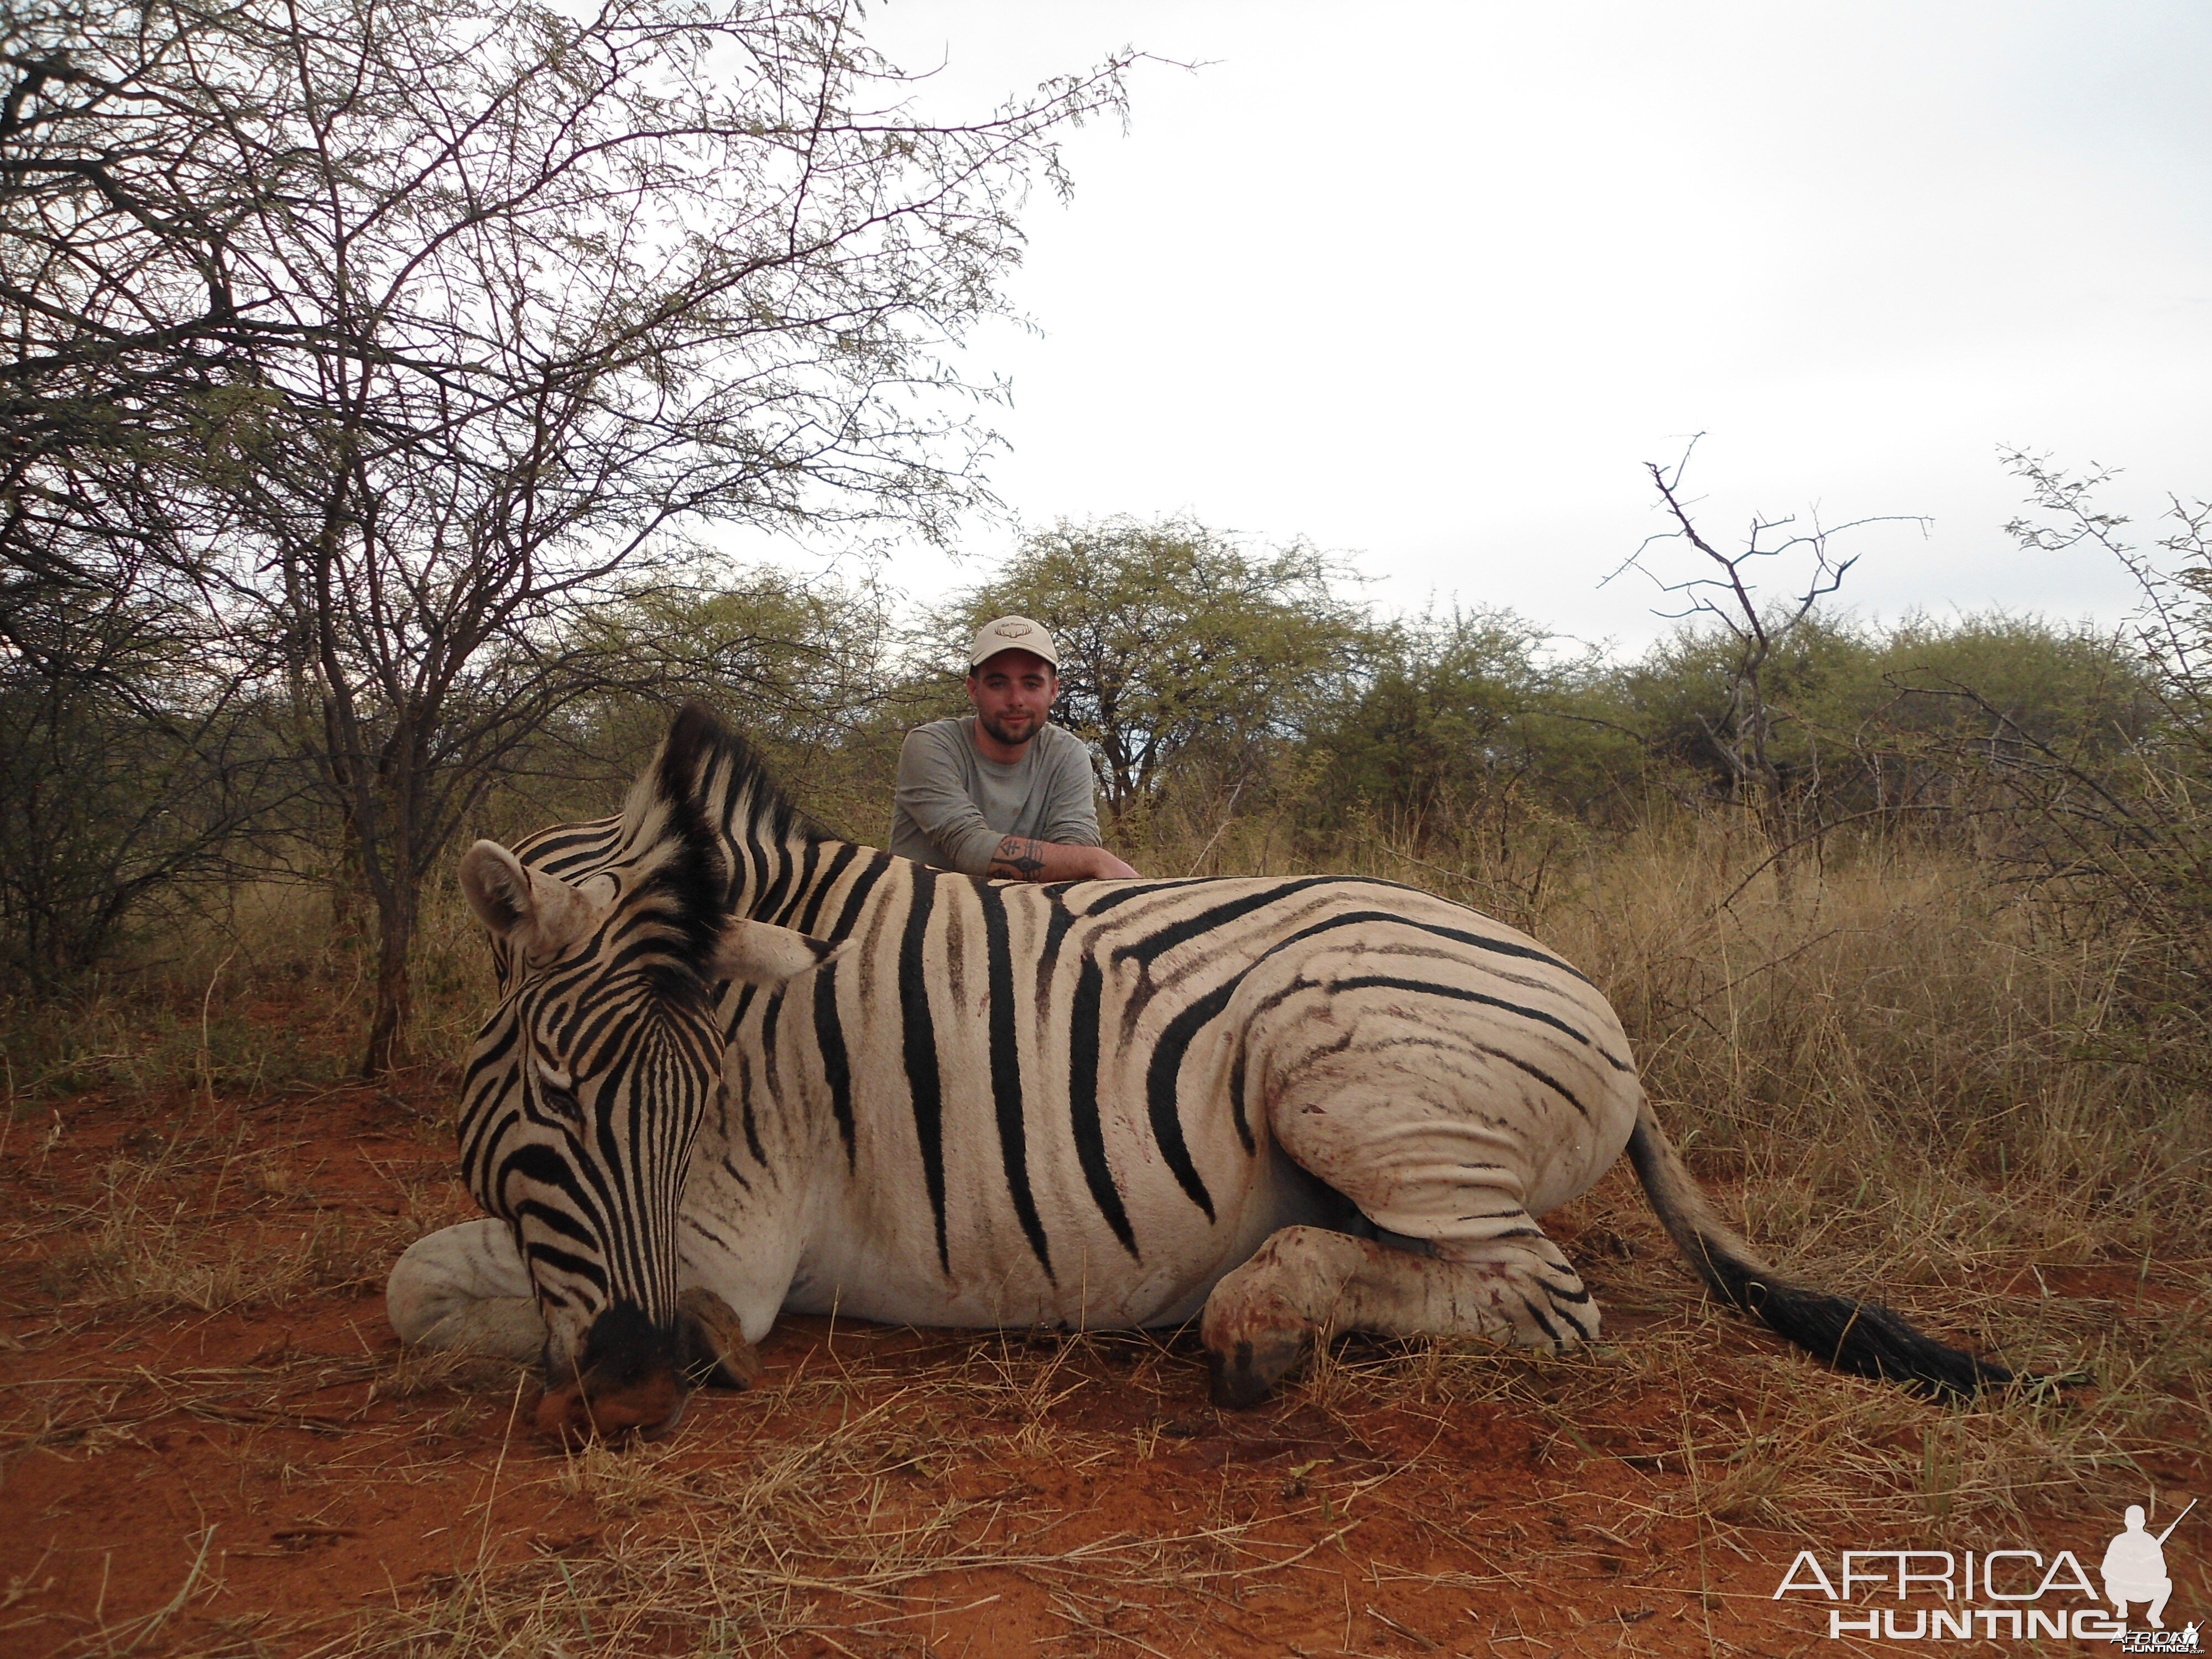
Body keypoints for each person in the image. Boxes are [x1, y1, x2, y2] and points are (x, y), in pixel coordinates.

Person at [889, 615, 1139, 882]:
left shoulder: (1068, 753)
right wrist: (1094, 861)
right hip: (927, 914)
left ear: (1053, 690)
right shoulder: (930, 745)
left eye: (1031, 684)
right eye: (998, 684)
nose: (1016, 700)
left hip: (1027, 915)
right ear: (973, 690)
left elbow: (1076, 844)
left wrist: (1083, 860)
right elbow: (967, 847)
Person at [2101, 1505, 2173, 1628]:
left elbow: (2162, 1571)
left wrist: (2145, 1567)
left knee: (2167, 1583)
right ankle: (2122, 1606)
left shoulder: (2150, 1542)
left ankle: (2154, 1615)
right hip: (2122, 1589)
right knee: (2109, 1583)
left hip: (2144, 1588)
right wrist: (2124, 1570)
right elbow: (2105, 1570)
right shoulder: (2119, 1541)